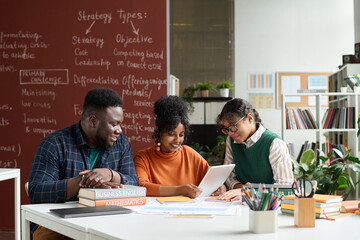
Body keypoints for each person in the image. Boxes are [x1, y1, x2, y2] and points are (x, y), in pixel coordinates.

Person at [28, 87, 138, 240]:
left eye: (120, 124)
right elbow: (36, 191)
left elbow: (135, 183)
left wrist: (110, 174)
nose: (119, 130)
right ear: (93, 121)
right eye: (114, 124)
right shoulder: (55, 144)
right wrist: (82, 182)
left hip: (108, 221)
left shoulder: (121, 143)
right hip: (58, 224)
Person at [134, 95, 225, 198]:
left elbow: (212, 179)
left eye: (181, 135)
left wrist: (220, 188)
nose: (177, 140)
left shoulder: (189, 154)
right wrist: (180, 190)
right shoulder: (143, 158)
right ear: (159, 133)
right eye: (171, 134)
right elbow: (141, 187)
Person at [217, 98, 294, 201]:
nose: (230, 133)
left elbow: (285, 187)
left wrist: (250, 192)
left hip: (268, 207)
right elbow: (229, 176)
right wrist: (240, 188)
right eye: (227, 129)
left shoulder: (274, 143)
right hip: (238, 204)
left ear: (249, 118)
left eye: (233, 127)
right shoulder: (231, 141)